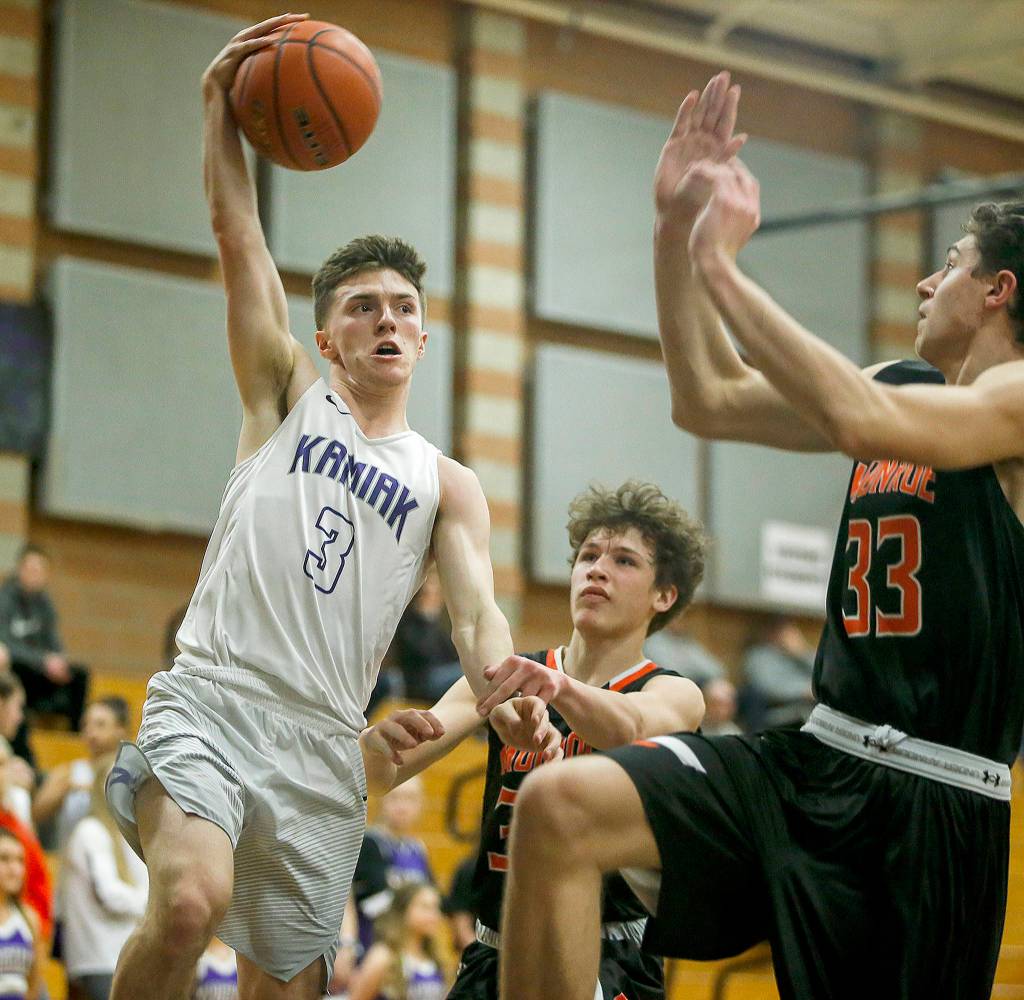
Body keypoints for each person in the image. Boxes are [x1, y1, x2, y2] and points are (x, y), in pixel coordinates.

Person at [498, 71, 1024, 1000]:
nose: (925, 281)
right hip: (815, 756)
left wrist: (724, 268)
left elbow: (858, 418)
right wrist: (675, 232)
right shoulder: (900, 382)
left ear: (998, 290)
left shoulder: (1015, 403)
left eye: (949, 264)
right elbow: (707, 397)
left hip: (933, 805)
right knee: (559, 805)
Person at [104, 15, 547, 1000]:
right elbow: (239, 237)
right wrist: (218, 114)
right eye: (362, 306)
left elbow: (476, 613)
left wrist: (502, 688)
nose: (387, 317)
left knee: (291, 987)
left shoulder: (447, 482)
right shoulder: (284, 393)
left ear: (422, 342)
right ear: (327, 338)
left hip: (323, 747)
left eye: (404, 308)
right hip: (216, 699)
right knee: (188, 903)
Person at [360, 480, 708, 999]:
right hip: (494, 952)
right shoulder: (509, 673)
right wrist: (375, 744)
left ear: (664, 595)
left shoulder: (674, 692)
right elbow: (381, 776)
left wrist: (561, 688)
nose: (597, 569)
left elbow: (631, 725)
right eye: (588, 555)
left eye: (624, 561)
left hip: (609, 957)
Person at [64, 757, 148, 1000]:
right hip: (97, 957)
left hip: (123, 953)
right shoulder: (90, 831)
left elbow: (146, 885)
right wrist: (154, 906)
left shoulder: (126, 836)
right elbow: (110, 895)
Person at [0, 545, 89, 732]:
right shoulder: (5, 599)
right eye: (31, 569)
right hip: (19, 666)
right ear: (19, 569)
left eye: (40, 570)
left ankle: (74, 734)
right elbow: (6, 643)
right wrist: (42, 660)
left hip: (42, 670)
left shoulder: (45, 603)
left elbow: (53, 639)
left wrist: (59, 660)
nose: (35, 575)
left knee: (80, 675)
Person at [33, 697, 129, 850]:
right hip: (73, 856)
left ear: (120, 730)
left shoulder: (130, 774)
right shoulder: (69, 773)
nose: (91, 731)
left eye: (100, 724)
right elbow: (35, 815)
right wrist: (63, 789)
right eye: (86, 724)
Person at [351, 777, 434, 955]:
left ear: (421, 805)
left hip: (408, 952)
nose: (402, 806)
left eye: (410, 799)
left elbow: (434, 901)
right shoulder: (369, 843)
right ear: (381, 801)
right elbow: (375, 905)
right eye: (395, 798)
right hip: (374, 947)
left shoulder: (417, 849)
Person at [346, 883, 447, 1000]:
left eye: (436, 908)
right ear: (403, 910)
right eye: (426, 907)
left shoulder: (437, 958)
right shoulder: (383, 955)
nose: (435, 915)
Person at [739, 614, 815, 727]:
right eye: (782, 631)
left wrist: (801, 653)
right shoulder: (758, 655)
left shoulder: (800, 655)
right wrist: (803, 691)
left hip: (809, 707)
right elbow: (766, 687)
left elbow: (822, 674)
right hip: (777, 709)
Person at [0, 827, 43, 1000]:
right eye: (4, 859)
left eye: (20, 861)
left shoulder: (29, 918)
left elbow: (34, 984)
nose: (15, 869)